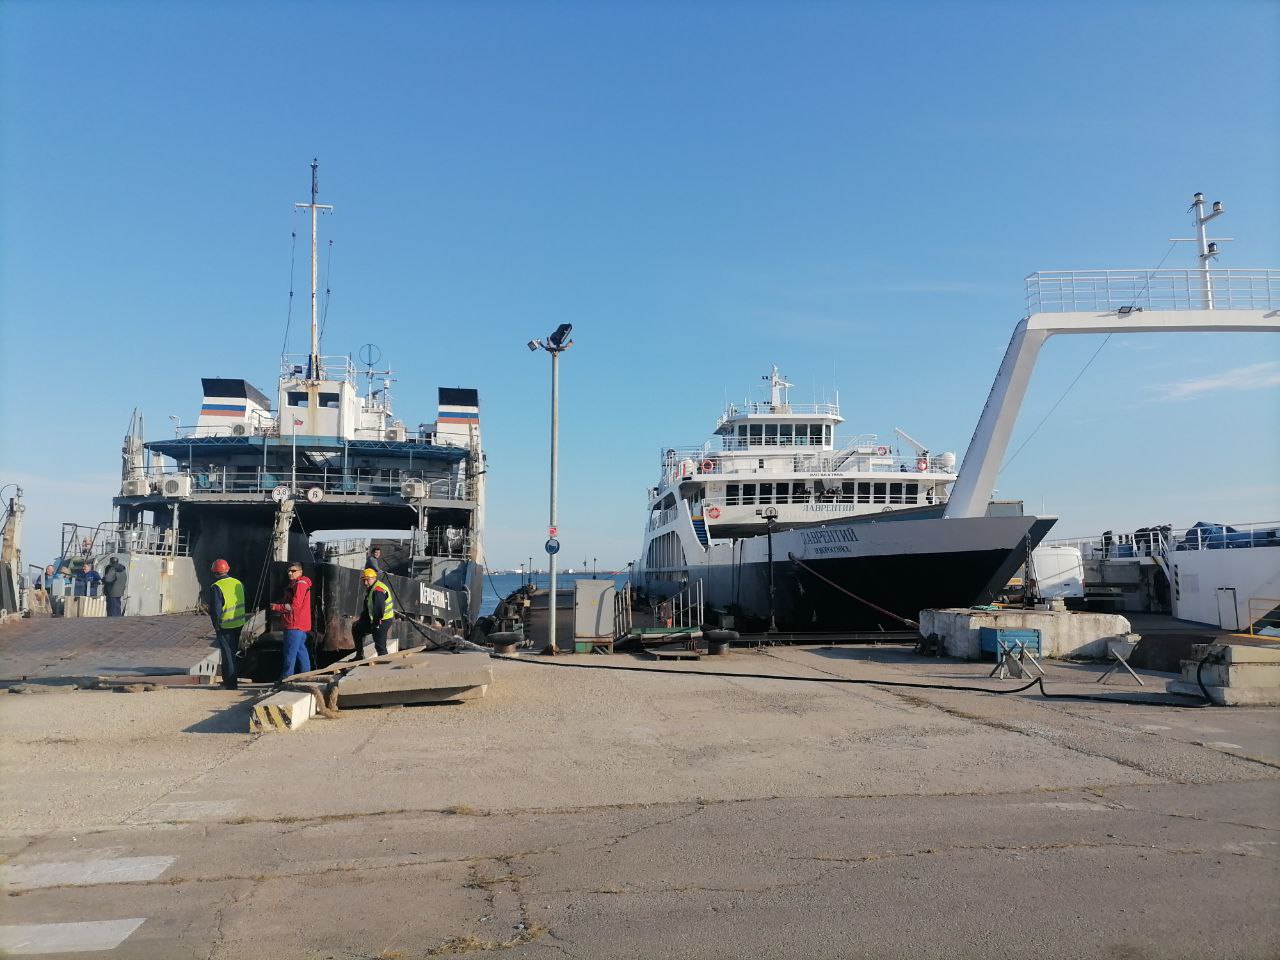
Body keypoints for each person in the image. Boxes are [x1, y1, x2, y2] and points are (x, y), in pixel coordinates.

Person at [207, 558, 245, 690]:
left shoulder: (217, 587)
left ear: (215, 573)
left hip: (226, 625)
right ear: (227, 569)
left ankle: (230, 684)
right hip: (239, 623)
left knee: (227, 654)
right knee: (233, 653)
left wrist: (216, 625)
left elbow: (216, 610)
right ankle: (231, 680)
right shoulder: (238, 583)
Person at [271, 563, 312, 681]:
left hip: (293, 624)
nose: (290, 573)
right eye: (289, 571)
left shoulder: (299, 585)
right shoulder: (300, 584)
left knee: (290, 653)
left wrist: (276, 607)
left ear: (300, 572)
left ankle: (285, 679)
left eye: (293, 571)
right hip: (300, 625)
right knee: (300, 651)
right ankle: (306, 676)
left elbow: (295, 605)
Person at [351, 566, 394, 659]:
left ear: (374, 578)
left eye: (367, 580)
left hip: (383, 620)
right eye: (363, 580)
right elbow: (367, 609)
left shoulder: (378, 589)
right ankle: (359, 655)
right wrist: (361, 620)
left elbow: (379, 608)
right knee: (356, 628)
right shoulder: (370, 589)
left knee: (379, 644)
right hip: (375, 619)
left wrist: (376, 623)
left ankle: (383, 660)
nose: (365, 583)